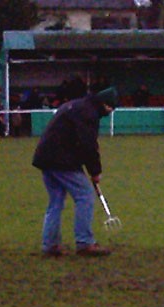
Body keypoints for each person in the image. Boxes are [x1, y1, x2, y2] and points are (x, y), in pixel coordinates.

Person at [32, 87, 119, 257]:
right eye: (111, 108)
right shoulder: (88, 114)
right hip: (61, 160)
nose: (110, 112)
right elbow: (88, 145)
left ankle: (50, 245)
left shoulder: (77, 106)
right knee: (85, 195)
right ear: (104, 104)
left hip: (46, 157)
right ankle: (85, 242)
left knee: (55, 202)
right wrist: (95, 172)